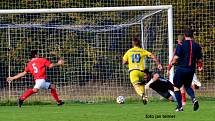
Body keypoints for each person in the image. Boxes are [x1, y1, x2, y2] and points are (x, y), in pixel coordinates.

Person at [122, 37, 162, 104]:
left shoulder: (129, 51)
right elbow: (152, 55)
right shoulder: (142, 51)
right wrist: (158, 64)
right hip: (141, 71)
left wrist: (130, 63)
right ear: (139, 43)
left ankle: (142, 95)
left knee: (136, 85)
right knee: (142, 84)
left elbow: (124, 62)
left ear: (133, 44)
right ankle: (145, 98)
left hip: (133, 71)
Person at [171, 30, 203, 112]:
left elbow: (176, 57)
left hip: (181, 68)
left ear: (185, 36)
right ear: (192, 36)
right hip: (191, 70)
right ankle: (194, 99)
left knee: (176, 87)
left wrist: (173, 63)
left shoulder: (181, 44)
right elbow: (199, 59)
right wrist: (200, 67)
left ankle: (180, 107)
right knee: (187, 86)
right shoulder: (197, 45)